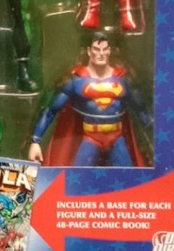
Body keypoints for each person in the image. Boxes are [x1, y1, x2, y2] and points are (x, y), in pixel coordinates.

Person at [28, 32, 152, 167]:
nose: (101, 54)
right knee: (78, 176)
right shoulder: (76, 80)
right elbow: (50, 111)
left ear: (109, 51)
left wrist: (157, 138)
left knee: (128, 176)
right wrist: (35, 141)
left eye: (104, 49)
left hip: (116, 137)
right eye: (97, 49)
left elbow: (142, 111)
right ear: (89, 51)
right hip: (91, 138)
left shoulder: (124, 79)